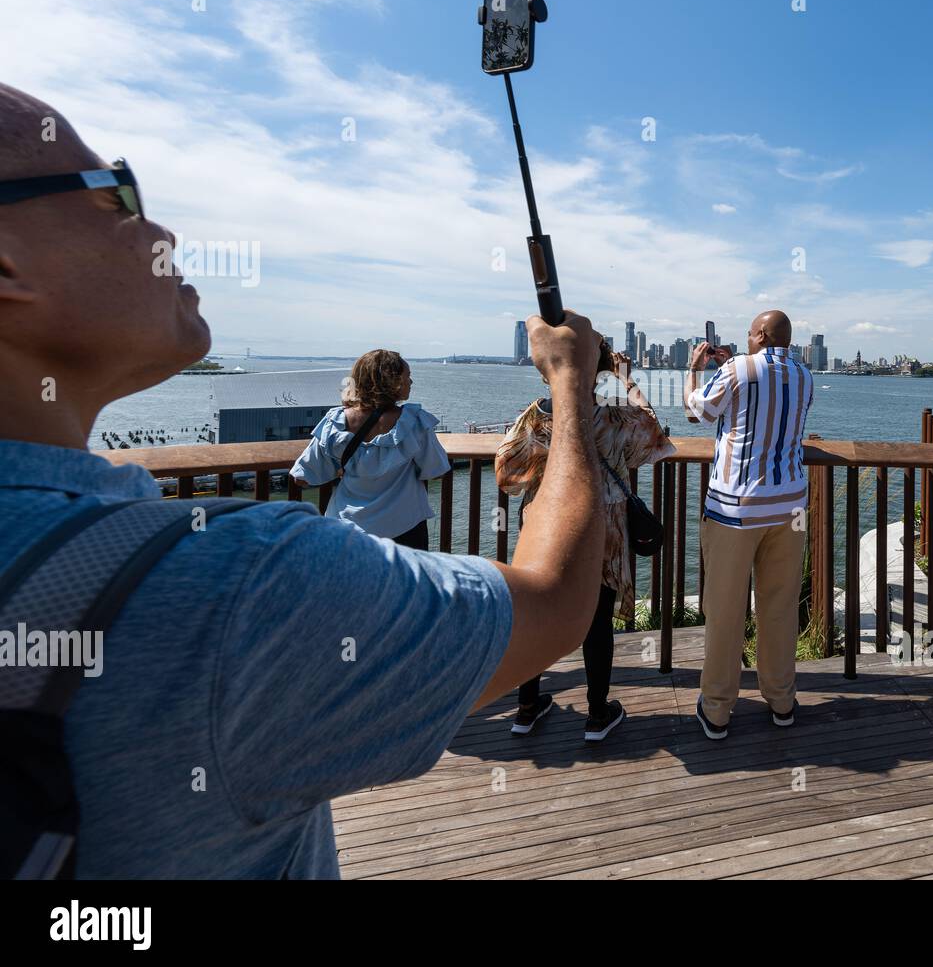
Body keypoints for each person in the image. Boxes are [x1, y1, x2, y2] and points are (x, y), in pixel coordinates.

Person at [0, 84, 606, 878]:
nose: (162, 228)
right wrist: (570, 384)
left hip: (355, 531)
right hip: (401, 543)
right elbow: (554, 597)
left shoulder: (323, 440)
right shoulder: (240, 585)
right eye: (117, 193)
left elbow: (307, 472)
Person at [495, 346, 674, 742]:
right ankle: (596, 713)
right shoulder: (612, 411)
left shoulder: (539, 412)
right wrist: (627, 381)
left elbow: (507, 472)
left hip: (546, 517)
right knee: (598, 620)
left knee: (536, 609)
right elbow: (654, 438)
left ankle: (526, 707)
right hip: (602, 520)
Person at [683, 311, 813, 740]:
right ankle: (781, 700)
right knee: (778, 607)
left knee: (724, 609)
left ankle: (718, 710)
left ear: (758, 335)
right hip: (789, 507)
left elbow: (699, 411)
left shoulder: (738, 369)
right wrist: (729, 364)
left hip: (736, 510)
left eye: (750, 333)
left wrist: (694, 371)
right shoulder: (805, 376)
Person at [288, 349, 449, 548]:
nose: (411, 382)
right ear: (392, 382)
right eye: (407, 377)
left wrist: (342, 469)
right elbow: (436, 471)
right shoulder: (413, 423)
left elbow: (302, 477)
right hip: (405, 528)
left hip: (347, 528)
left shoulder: (336, 422)